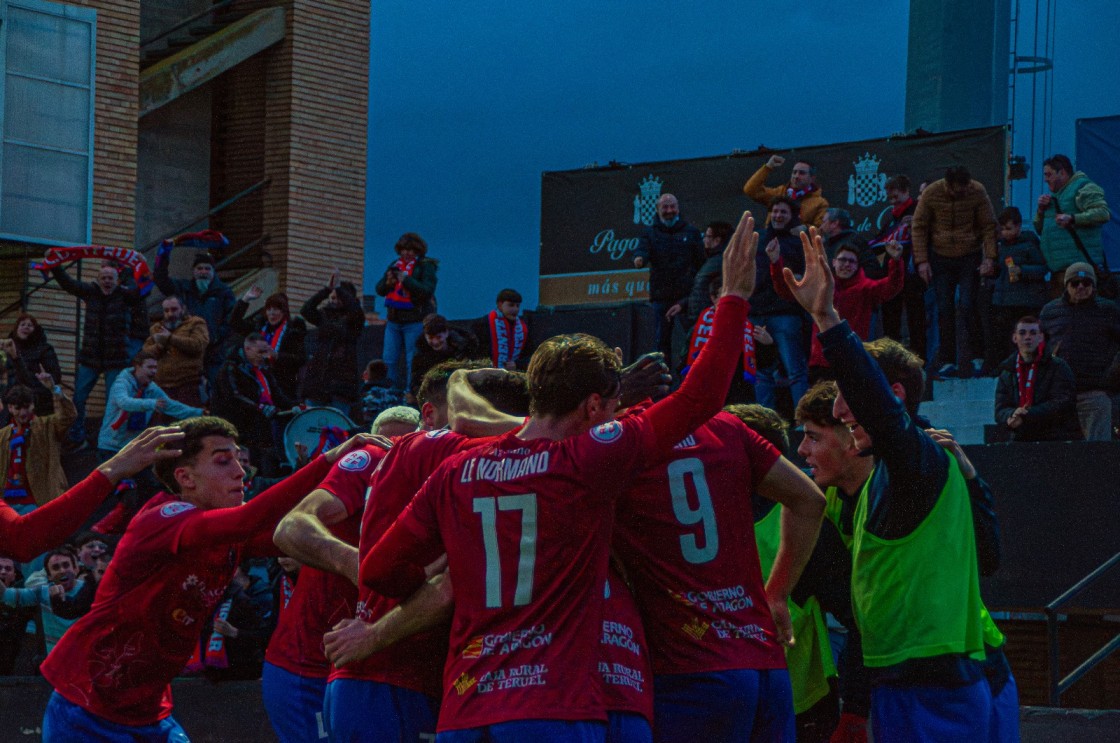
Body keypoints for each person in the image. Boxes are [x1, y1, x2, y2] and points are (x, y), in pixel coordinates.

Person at [357, 212, 769, 740]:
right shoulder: (585, 460)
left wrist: (445, 577)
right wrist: (733, 296)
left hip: (466, 709)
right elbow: (702, 396)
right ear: (595, 405)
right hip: (551, 705)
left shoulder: (460, 467)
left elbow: (380, 571)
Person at [781, 227, 1006, 742]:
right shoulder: (881, 481)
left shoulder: (917, 457)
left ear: (891, 395)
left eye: (845, 397)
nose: (838, 410)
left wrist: (826, 317)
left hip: (939, 682)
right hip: (910, 680)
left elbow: (881, 412)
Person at [39, 417, 374, 741]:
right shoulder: (164, 517)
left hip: (146, 709)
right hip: (85, 703)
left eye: (240, 461)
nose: (241, 471)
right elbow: (249, 519)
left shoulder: (228, 537)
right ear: (186, 478)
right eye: (224, 461)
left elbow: (290, 534)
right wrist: (328, 461)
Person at [610, 391, 825, 740]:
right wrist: (777, 594)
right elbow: (809, 500)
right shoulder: (726, 426)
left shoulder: (617, 442)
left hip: (691, 669)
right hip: (765, 664)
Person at [268, 437, 390, 743]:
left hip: (366, 667)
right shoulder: (369, 460)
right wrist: (356, 565)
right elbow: (290, 526)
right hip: (306, 667)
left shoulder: (440, 471)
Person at [771, 242, 903, 381]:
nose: (846, 264)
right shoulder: (820, 287)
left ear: (857, 266)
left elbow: (892, 286)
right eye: (842, 260)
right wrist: (775, 263)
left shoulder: (867, 289)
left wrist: (895, 260)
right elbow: (787, 292)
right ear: (833, 262)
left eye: (852, 261)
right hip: (821, 362)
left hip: (852, 361)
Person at [911, 166, 998, 378]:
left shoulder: (977, 191)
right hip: (940, 257)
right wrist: (922, 261)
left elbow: (988, 225)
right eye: (959, 188)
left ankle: (977, 356)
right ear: (949, 185)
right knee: (944, 308)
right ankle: (948, 361)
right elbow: (919, 225)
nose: (964, 190)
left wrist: (990, 257)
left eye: (966, 186)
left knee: (968, 304)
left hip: (970, 255)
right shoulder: (932, 193)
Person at [50, 260, 142, 445]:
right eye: (104, 278)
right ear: (98, 279)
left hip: (115, 359)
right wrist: (55, 265)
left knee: (113, 401)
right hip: (90, 358)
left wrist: (135, 265)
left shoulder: (125, 295)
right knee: (79, 397)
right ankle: (77, 436)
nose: (107, 281)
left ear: (117, 280)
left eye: (111, 278)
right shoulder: (91, 291)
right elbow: (68, 283)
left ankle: (107, 438)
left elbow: (141, 289)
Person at [1039, 263, 1120, 441]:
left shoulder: (1108, 310)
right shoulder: (1050, 311)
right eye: (1075, 283)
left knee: (1098, 454)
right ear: (1066, 285)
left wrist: (1111, 376)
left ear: (1094, 286)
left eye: (1086, 282)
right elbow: (1040, 348)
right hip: (1060, 396)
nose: (1081, 287)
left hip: (1095, 392)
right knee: (1061, 455)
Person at [750, 196, 810, 410]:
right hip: (757, 313)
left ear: (792, 216)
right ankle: (767, 421)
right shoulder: (759, 239)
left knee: (794, 370)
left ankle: (805, 421)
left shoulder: (798, 243)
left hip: (786, 314)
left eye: (783, 212)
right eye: (775, 211)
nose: (778, 215)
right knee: (762, 372)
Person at [633, 194, 707, 360]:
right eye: (665, 207)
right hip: (662, 298)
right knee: (661, 344)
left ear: (678, 208)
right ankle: (664, 380)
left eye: (672, 207)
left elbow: (701, 262)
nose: (669, 211)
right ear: (658, 209)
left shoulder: (691, 232)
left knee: (694, 339)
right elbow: (642, 251)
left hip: (687, 297)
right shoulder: (649, 233)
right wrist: (639, 259)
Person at [213, 334, 297, 474]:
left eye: (266, 351)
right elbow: (234, 396)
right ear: (248, 349)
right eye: (260, 352)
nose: (264, 356)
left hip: (261, 426)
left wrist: (296, 405)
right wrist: (260, 408)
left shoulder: (262, 369)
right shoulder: (230, 368)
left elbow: (276, 395)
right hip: (239, 426)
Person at [152, 251, 237, 389]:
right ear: (193, 271)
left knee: (216, 390)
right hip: (186, 353)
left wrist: (215, 337)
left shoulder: (224, 292)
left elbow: (231, 320)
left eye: (207, 268)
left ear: (213, 271)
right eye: (199, 268)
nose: (203, 272)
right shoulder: (183, 288)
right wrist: (163, 256)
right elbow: (162, 281)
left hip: (214, 354)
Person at [1034, 154, 1113, 299]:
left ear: (1062, 172)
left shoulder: (1083, 187)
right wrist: (1040, 210)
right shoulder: (1056, 197)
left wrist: (1073, 218)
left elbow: (1103, 213)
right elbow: (1040, 229)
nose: (1045, 179)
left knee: (1079, 314)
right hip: (1059, 271)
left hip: (1078, 272)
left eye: (1049, 174)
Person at [97, 352, 202, 458]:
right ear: (137, 366)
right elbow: (124, 402)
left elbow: (171, 406)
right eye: (150, 367)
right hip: (111, 446)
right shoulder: (121, 383)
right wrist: (151, 403)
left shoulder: (151, 387)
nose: (154, 371)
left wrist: (200, 413)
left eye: (155, 367)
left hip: (133, 446)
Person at [994, 316, 1080, 442]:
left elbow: (1063, 402)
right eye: (1022, 333)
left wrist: (1028, 414)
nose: (1028, 337)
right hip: (1021, 437)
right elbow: (1000, 409)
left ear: (1041, 337)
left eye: (1033, 333)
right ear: (1014, 338)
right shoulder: (1007, 371)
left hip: (1056, 437)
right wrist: (1011, 415)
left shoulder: (1057, 366)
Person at [872, 176, 927, 365]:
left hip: (912, 272)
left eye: (895, 194)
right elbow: (878, 241)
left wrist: (917, 223)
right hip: (893, 272)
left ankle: (920, 358)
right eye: (889, 195)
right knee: (891, 317)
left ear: (906, 191)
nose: (891, 198)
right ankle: (892, 360)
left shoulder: (920, 210)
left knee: (916, 318)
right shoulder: (890, 217)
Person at [2, 377, 75, 516]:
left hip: (37, 501)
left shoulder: (48, 425)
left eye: (26, 406)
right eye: (18, 408)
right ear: (10, 408)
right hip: (6, 503)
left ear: (33, 405)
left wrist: (55, 390)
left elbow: (69, 415)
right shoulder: (3, 435)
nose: (23, 412)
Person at [375, 233, 439, 391]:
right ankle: (388, 392)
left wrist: (407, 280)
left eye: (411, 250)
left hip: (414, 320)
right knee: (389, 359)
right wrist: (388, 282)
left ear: (418, 251)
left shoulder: (425, 266)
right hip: (393, 320)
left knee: (413, 359)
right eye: (404, 250)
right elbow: (379, 289)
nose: (407, 254)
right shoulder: (395, 264)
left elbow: (427, 290)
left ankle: (411, 393)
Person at [988, 207, 1048, 370]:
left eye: (1009, 229)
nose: (1005, 233)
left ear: (1019, 226)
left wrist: (1023, 271)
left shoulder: (1029, 243)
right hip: (1005, 300)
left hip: (1026, 300)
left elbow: (1043, 267)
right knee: (1007, 336)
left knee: (1025, 335)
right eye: (1002, 229)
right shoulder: (1000, 246)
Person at [301, 271, 366, 414]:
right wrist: (326, 290)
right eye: (332, 297)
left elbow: (356, 312)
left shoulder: (354, 320)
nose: (334, 301)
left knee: (338, 427)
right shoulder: (323, 316)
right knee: (311, 422)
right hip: (318, 381)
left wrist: (340, 290)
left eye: (338, 297)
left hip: (342, 384)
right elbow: (306, 310)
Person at [1, 547, 86, 653]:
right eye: (56, 567)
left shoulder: (89, 590)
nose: (62, 571)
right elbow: (4, 594)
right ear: (49, 576)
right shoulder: (42, 592)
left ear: (76, 569)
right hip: (55, 659)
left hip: (84, 656)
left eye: (66, 565)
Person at [231, 287, 307, 402]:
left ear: (284, 311)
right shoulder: (259, 326)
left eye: (276, 309)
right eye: (269, 309)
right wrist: (245, 299)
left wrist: (277, 356)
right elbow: (234, 323)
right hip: (257, 380)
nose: (272, 314)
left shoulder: (294, 331)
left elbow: (301, 359)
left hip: (282, 384)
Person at [142, 295, 209, 408]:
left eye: (174, 309)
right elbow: (146, 353)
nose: (170, 314)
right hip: (162, 386)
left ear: (183, 309)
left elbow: (198, 345)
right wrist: (160, 345)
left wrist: (171, 338)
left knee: (187, 422)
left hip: (188, 384)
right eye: (166, 310)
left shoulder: (196, 323)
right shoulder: (157, 328)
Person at [670, 220, 733, 328]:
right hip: (702, 320)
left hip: (708, 322)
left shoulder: (721, 262)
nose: (704, 239)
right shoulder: (712, 260)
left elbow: (715, 294)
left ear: (717, 240)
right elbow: (701, 291)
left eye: (707, 236)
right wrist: (683, 304)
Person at [743, 154, 829, 228]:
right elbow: (751, 190)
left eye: (801, 173)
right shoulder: (780, 192)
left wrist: (803, 229)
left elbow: (821, 230)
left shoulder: (820, 203)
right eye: (794, 172)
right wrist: (768, 167)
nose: (796, 176)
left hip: (797, 244)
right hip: (771, 241)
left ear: (812, 178)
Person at [3, 313, 63, 415]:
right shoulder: (9, 349)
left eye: (30, 325)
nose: (26, 327)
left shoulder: (44, 349)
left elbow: (55, 375)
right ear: (16, 329)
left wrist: (41, 384)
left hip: (38, 401)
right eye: (22, 324)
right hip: (13, 401)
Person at [411, 314, 478, 400]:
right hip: (434, 395)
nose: (435, 342)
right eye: (431, 338)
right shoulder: (420, 353)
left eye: (439, 337)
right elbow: (415, 381)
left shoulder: (464, 347)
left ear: (446, 333)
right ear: (425, 336)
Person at [472, 289, 532, 371]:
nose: (515, 309)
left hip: (513, 376)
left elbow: (531, 356)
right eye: (511, 305)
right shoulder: (482, 325)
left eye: (518, 306)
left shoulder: (523, 329)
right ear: (500, 305)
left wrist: (517, 364)